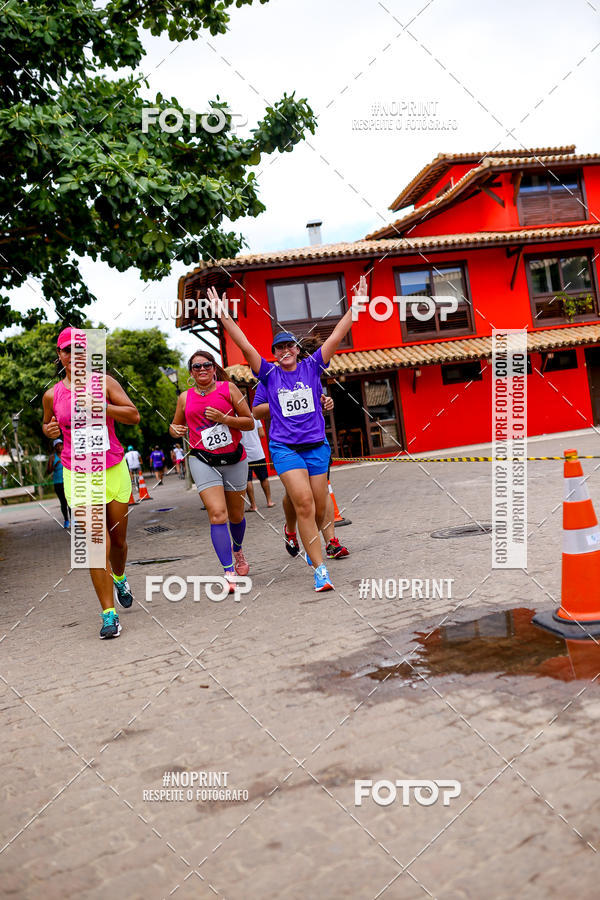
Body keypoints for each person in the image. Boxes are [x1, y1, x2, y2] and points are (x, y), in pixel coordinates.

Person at [209, 278, 361, 592]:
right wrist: (224, 317)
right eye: (279, 347)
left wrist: (355, 307)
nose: (285, 351)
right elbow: (245, 346)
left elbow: (336, 336)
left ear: (296, 349)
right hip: (285, 448)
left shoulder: (313, 366)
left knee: (320, 508)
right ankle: (320, 570)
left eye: (290, 346)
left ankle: (307, 543)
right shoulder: (268, 374)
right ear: (275, 353)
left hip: (317, 447)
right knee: (303, 502)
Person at [42, 327, 140, 639]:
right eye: (67, 350)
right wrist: (49, 431)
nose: (73, 355)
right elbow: (47, 424)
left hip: (112, 468)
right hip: (77, 472)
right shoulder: (51, 394)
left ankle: (121, 576)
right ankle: (108, 614)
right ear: (60, 355)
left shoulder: (106, 383)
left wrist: (103, 407)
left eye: (79, 349)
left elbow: (133, 416)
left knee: (119, 541)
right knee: (96, 544)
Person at [169, 349, 255, 591]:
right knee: (218, 514)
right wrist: (174, 431)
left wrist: (225, 419)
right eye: (197, 366)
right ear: (191, 372)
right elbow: (175, 425)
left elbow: (249, 421)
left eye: (208, 364)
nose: (203, 369)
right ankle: (228, 572)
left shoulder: (229, 390)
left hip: (234, 458)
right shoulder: (185, 398)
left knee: (236, 516)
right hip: (203, 459)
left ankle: (237, 550)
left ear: (215, 367)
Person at [252, 383, 349, 559]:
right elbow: (257, 412)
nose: (287, 353)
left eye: (293, 351)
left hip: (315, 442)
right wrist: (282, 401)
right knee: (296, 495)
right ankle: (290, 530)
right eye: (280, 351)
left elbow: (320, 399)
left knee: (323, 491)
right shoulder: (269, 377)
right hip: (287, 445)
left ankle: (330, 542)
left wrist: (327, 402)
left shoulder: (308, 371)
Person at [241, 416, 274, 510]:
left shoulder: (235, 419)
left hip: (244, 455)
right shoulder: (254, 417)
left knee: (248, 480)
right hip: (258, 453)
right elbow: (262, 434)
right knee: (264, 478)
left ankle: (253, 505)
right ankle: (269, 501)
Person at [47, 437, 70, 528]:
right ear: (55, 448)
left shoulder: (68, 455)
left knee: (70, 502)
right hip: (58, 483)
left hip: (68, 481)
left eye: (61, 445)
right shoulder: (53, 458)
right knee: (63, 502)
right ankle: (66, 520)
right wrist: (54, 465)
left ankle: (73, 520)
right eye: (57, 446)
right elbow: (48, 471)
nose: (59, 447)